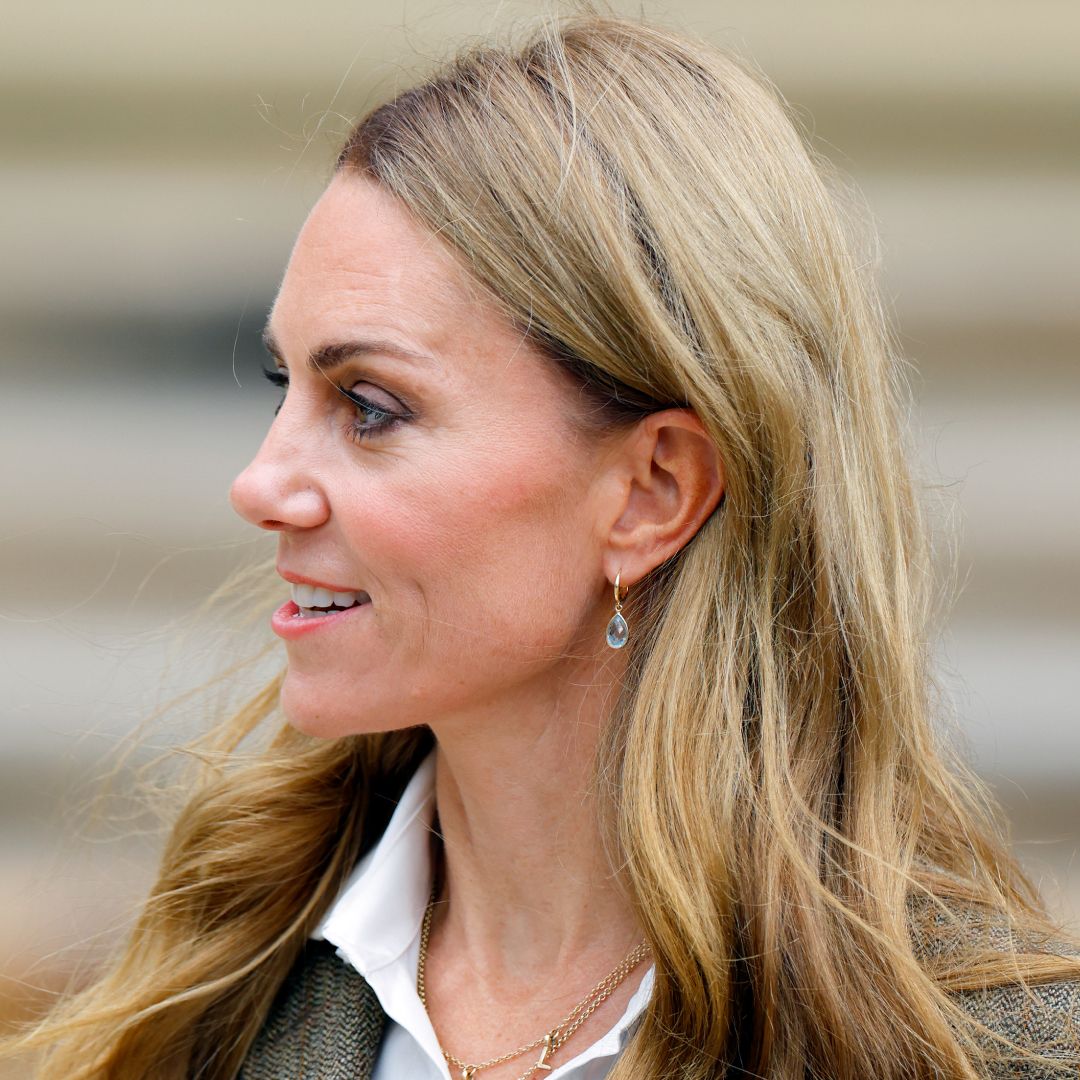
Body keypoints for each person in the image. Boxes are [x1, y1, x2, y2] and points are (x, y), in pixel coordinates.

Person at [12, 14, 1080, 1080]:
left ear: (653, 490)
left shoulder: (985, 1056)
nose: (260, 484)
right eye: (282, 386)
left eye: (369, 406)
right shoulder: (209, 1005)